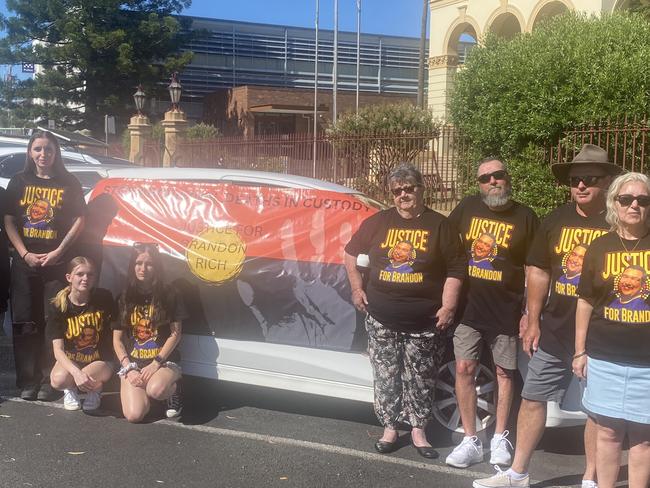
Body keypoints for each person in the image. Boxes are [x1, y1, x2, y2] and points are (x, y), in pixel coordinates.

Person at [474, 144, 622, 488]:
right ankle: (517, 474)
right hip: (555, 329)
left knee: (596, 411)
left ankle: (591, 479)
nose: (581, 186)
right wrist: (533, 318)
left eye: (589, 179)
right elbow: (538, 270)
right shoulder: (556, 219)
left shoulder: (621, 222)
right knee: (532, 397)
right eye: (574, 181)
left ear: (607, 182)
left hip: (602, 334)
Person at [344, 163, 466, 459]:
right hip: (382, 318)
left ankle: (418, 431)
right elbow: (349, 253)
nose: (403, 195)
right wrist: (357, 289)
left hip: (424, 322)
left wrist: (448, 306)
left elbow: (456, 269)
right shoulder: (377, 222)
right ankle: (389, 429)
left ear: (422, 189)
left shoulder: (441, 225)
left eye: (409, 188)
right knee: (386, 376)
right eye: (397, 191)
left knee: (421, 377)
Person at [446, 158, 539, 468]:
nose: (493, 182)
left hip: (507, 310)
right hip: (469, 309)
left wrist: (528, 311)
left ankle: (500, 436)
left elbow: (533, 268)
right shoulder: (467, 207)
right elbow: (446, 243)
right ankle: (471, 440)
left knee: (504, 373)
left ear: (507, 178)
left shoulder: (525, 217)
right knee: (464, 369)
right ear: (479, 184)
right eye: (485, 178)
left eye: (498, 175)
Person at [574, 172, 650, 488]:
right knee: (607, 433)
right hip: (604, 358)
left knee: (643, 440)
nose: (634, 205)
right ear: (614, 202)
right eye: (626, 199)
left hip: (647, 363)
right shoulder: (599, 247)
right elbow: (585, 302)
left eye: (643, 200)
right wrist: (579, 351)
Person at [3, 130, 86, 401]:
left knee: (53, 321)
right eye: (38, 149)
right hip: (25, 265)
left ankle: (51, 380)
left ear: (56, 153)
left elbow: (79, 220)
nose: (43, 154)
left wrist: (59, 250)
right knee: (25, 322)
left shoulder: (69, 183)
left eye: (48, 149)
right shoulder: (18, 181)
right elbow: (9, 220)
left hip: (56, 263)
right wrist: (24, 253)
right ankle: (28, 381)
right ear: (30, 152)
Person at [113, 242, 187, 422]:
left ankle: (172, 391)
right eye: (138, 263)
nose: (143, 268)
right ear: (132, 266)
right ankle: (147, 394)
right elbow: (117, 340)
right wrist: (128, 368)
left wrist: (155, 364)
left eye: (149, 264)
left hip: (162, 362)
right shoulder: (124, 296)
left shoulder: (170, 294)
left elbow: (175, 334)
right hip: (134, 364)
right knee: (134, 415)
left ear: (156, 266)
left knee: (156, 390)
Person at [46, 257, 116, 411]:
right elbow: (58, 349)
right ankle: (70, 389)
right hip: (73, 359)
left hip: (100, 360)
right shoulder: (58, 305)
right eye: (80, 274)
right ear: (69, 277)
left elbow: (117, 331)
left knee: (86, 376)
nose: (85, 278)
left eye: (90, 274)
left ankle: (95, 388)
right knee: (58, 380)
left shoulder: (104, 298)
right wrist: (76, 373)